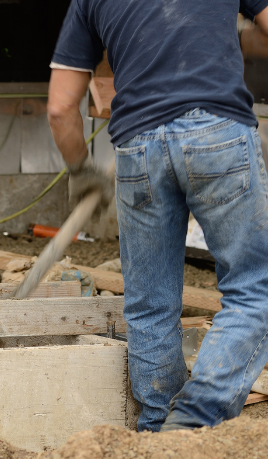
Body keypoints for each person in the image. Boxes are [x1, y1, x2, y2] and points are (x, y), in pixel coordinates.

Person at [47, 0, 268, 432]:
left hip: (136, 146)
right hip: (217, 130)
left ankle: (157, 430)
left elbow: (59, 109)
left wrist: (84, 173)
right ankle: (194, 417)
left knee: (149, 307)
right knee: (255, 288)